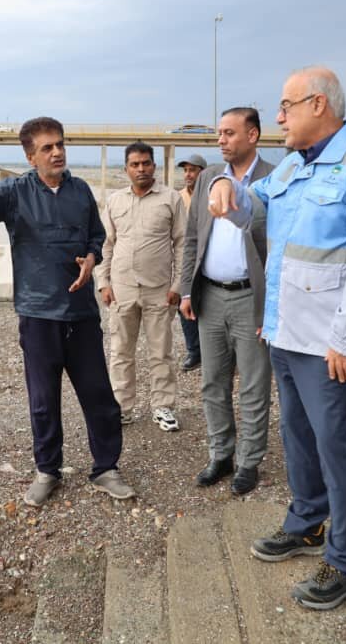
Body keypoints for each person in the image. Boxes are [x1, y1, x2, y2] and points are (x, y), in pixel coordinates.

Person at [208, 67, 346, 609]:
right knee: (296, 436)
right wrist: (224, 183)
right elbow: (252, 206)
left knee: (336, 447)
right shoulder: (296, 164)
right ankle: (308, 522)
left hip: (328, 343)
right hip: (286, 332)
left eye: (286, 106)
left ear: (319, 104)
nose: (278, 117)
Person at [0, 116, 135, 507]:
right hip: (37, 315)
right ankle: (48, 470)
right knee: (43, 401)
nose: (57, 152)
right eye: (47, 147)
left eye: (60, 144)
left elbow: (97, 236)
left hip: (81, 314)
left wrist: (92, 259)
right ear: (30, 157)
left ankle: (106, 468)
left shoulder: (80, 191)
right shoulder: (14, 192)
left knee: (99, 396)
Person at [179, 107, 274, 495]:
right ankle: (221, 455)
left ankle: (249, 462)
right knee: (212, 383)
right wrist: (187, 289)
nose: (221, 140)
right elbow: (191, 237)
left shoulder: (274, 179)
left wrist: (272, 306)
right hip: (211, 295)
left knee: (254, 385)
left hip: (252, 297)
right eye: (219, 133)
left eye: (229, 133)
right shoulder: (207, 179)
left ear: (252, 135)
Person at [98, 142, 186, 431]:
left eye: (146, 163)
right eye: (135, 164)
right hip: (121, 288)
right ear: (126, 169)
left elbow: (182, 244)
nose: (141, 169)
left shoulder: (171, 199)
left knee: (161, 351)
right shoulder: (115, 201)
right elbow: (106, 244)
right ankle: (122, 407)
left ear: (154, 166)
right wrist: (103, 282)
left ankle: (163, 406)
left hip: (159, 289)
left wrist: (178, 284)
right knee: (120, 351)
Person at [176, 154, 207, 371]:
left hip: (207, 260)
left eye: (192, 170)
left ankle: (217, 353)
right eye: (185, 170)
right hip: (186, 260)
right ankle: (194, 351)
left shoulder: (212, 195)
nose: (188, 174)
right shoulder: (177, 198)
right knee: (184, 304)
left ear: (202, 172)